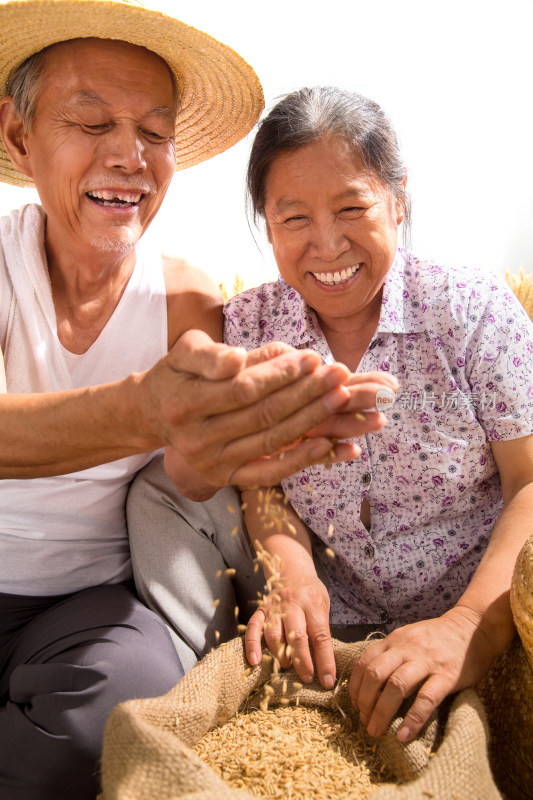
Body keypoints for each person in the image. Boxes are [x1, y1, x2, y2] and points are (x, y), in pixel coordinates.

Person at [0, 1, 382, 795]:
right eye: (92, 122)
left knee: (114, 713)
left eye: (152, 132)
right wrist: (143, 407)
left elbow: (194, 475)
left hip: (84, 605)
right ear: (18, 135)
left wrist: (253, 442)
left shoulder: (184, 298)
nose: (129, 156)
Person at [130, 86, 533, 748]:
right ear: (265, 222)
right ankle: (201, 681)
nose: (326, 244)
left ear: (397, 202)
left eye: (352, 208)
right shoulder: (249, 326)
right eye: (292, 220)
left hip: (466, 599)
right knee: (159, 487)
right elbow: (260, 479)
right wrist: (291, 578)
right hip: (332, 602)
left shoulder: (472, 309)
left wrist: (467, 627)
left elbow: (527, 482)